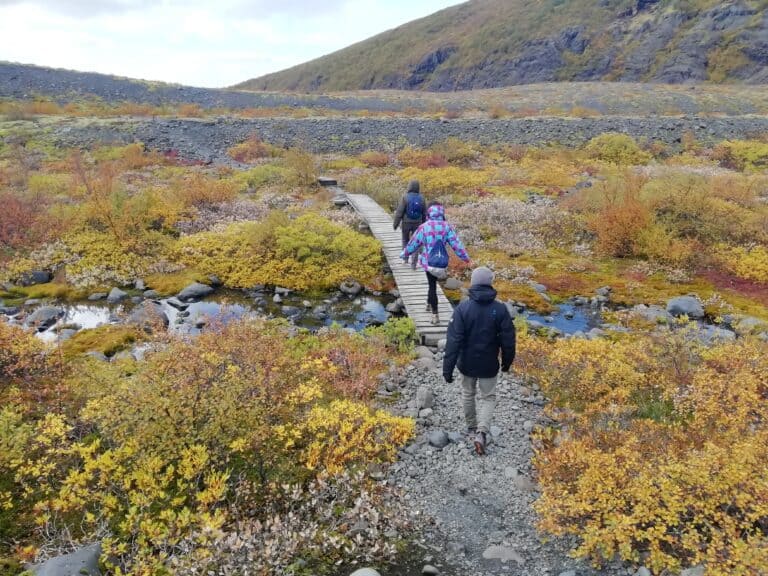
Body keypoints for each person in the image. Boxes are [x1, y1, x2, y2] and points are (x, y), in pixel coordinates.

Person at [442, 266, 516, 455]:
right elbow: (508, 340)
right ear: (490, 283)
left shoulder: (462, 309)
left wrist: (447, 369)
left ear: (473, 283)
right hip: (489, 364)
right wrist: (507, 363)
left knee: (468, 394)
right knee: (488, 397)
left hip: (466, 363)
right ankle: (482, 432)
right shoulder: (500, 309)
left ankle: (471, 428)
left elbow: (453, 341)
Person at [400, 201, 470, 325]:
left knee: (432, 285)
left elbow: (413, 243)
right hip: (441, 263)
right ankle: (428, 303)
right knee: (432, 283)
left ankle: (435, 315)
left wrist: (404, 254)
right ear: (441, 212)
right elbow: (456, 245)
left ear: (429, 212)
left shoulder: (424, 226)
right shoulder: (447, 227)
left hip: (429, 262)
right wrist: (466, 258)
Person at [393, 180, 426, 269]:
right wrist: (424, 225)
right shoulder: (422, 198)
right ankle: (414, 264)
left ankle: (405, 258)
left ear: (409, 186)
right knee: (416, 242)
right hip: (417, 223)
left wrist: (395, 224)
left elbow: (400, 212)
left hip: (406, 222)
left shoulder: (405, 197)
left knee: (405, 240)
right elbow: (424, 213)